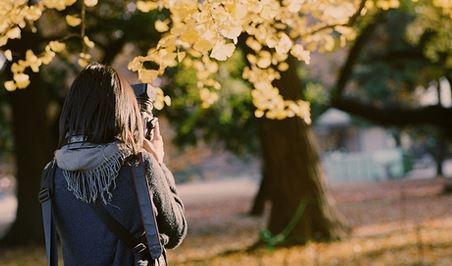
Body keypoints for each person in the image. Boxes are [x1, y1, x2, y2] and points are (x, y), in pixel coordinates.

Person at [51, 63, 187, 265]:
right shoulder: (139, 167)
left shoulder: (53, 175)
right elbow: (177, 231)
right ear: (121, 110)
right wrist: (159, 163)